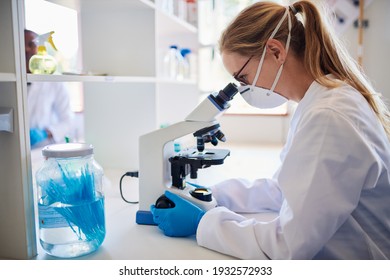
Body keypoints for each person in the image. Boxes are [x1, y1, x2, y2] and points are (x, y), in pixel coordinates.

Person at [150, 1, 390, 259]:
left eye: (243, 78)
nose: (243, 89)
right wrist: (215, 194)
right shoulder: (319, 101)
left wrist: (204, 223)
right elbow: (285, 189)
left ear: (276, 52)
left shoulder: (328, 116)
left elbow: (287, 246)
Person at [25, 29, 74, 148]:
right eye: (22, 45)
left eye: (32, 45)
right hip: (12, 150)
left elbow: (68, 121)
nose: (27, 49)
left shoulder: (53, 81)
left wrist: (45, 133)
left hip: (44, 148)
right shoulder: (8, 81)